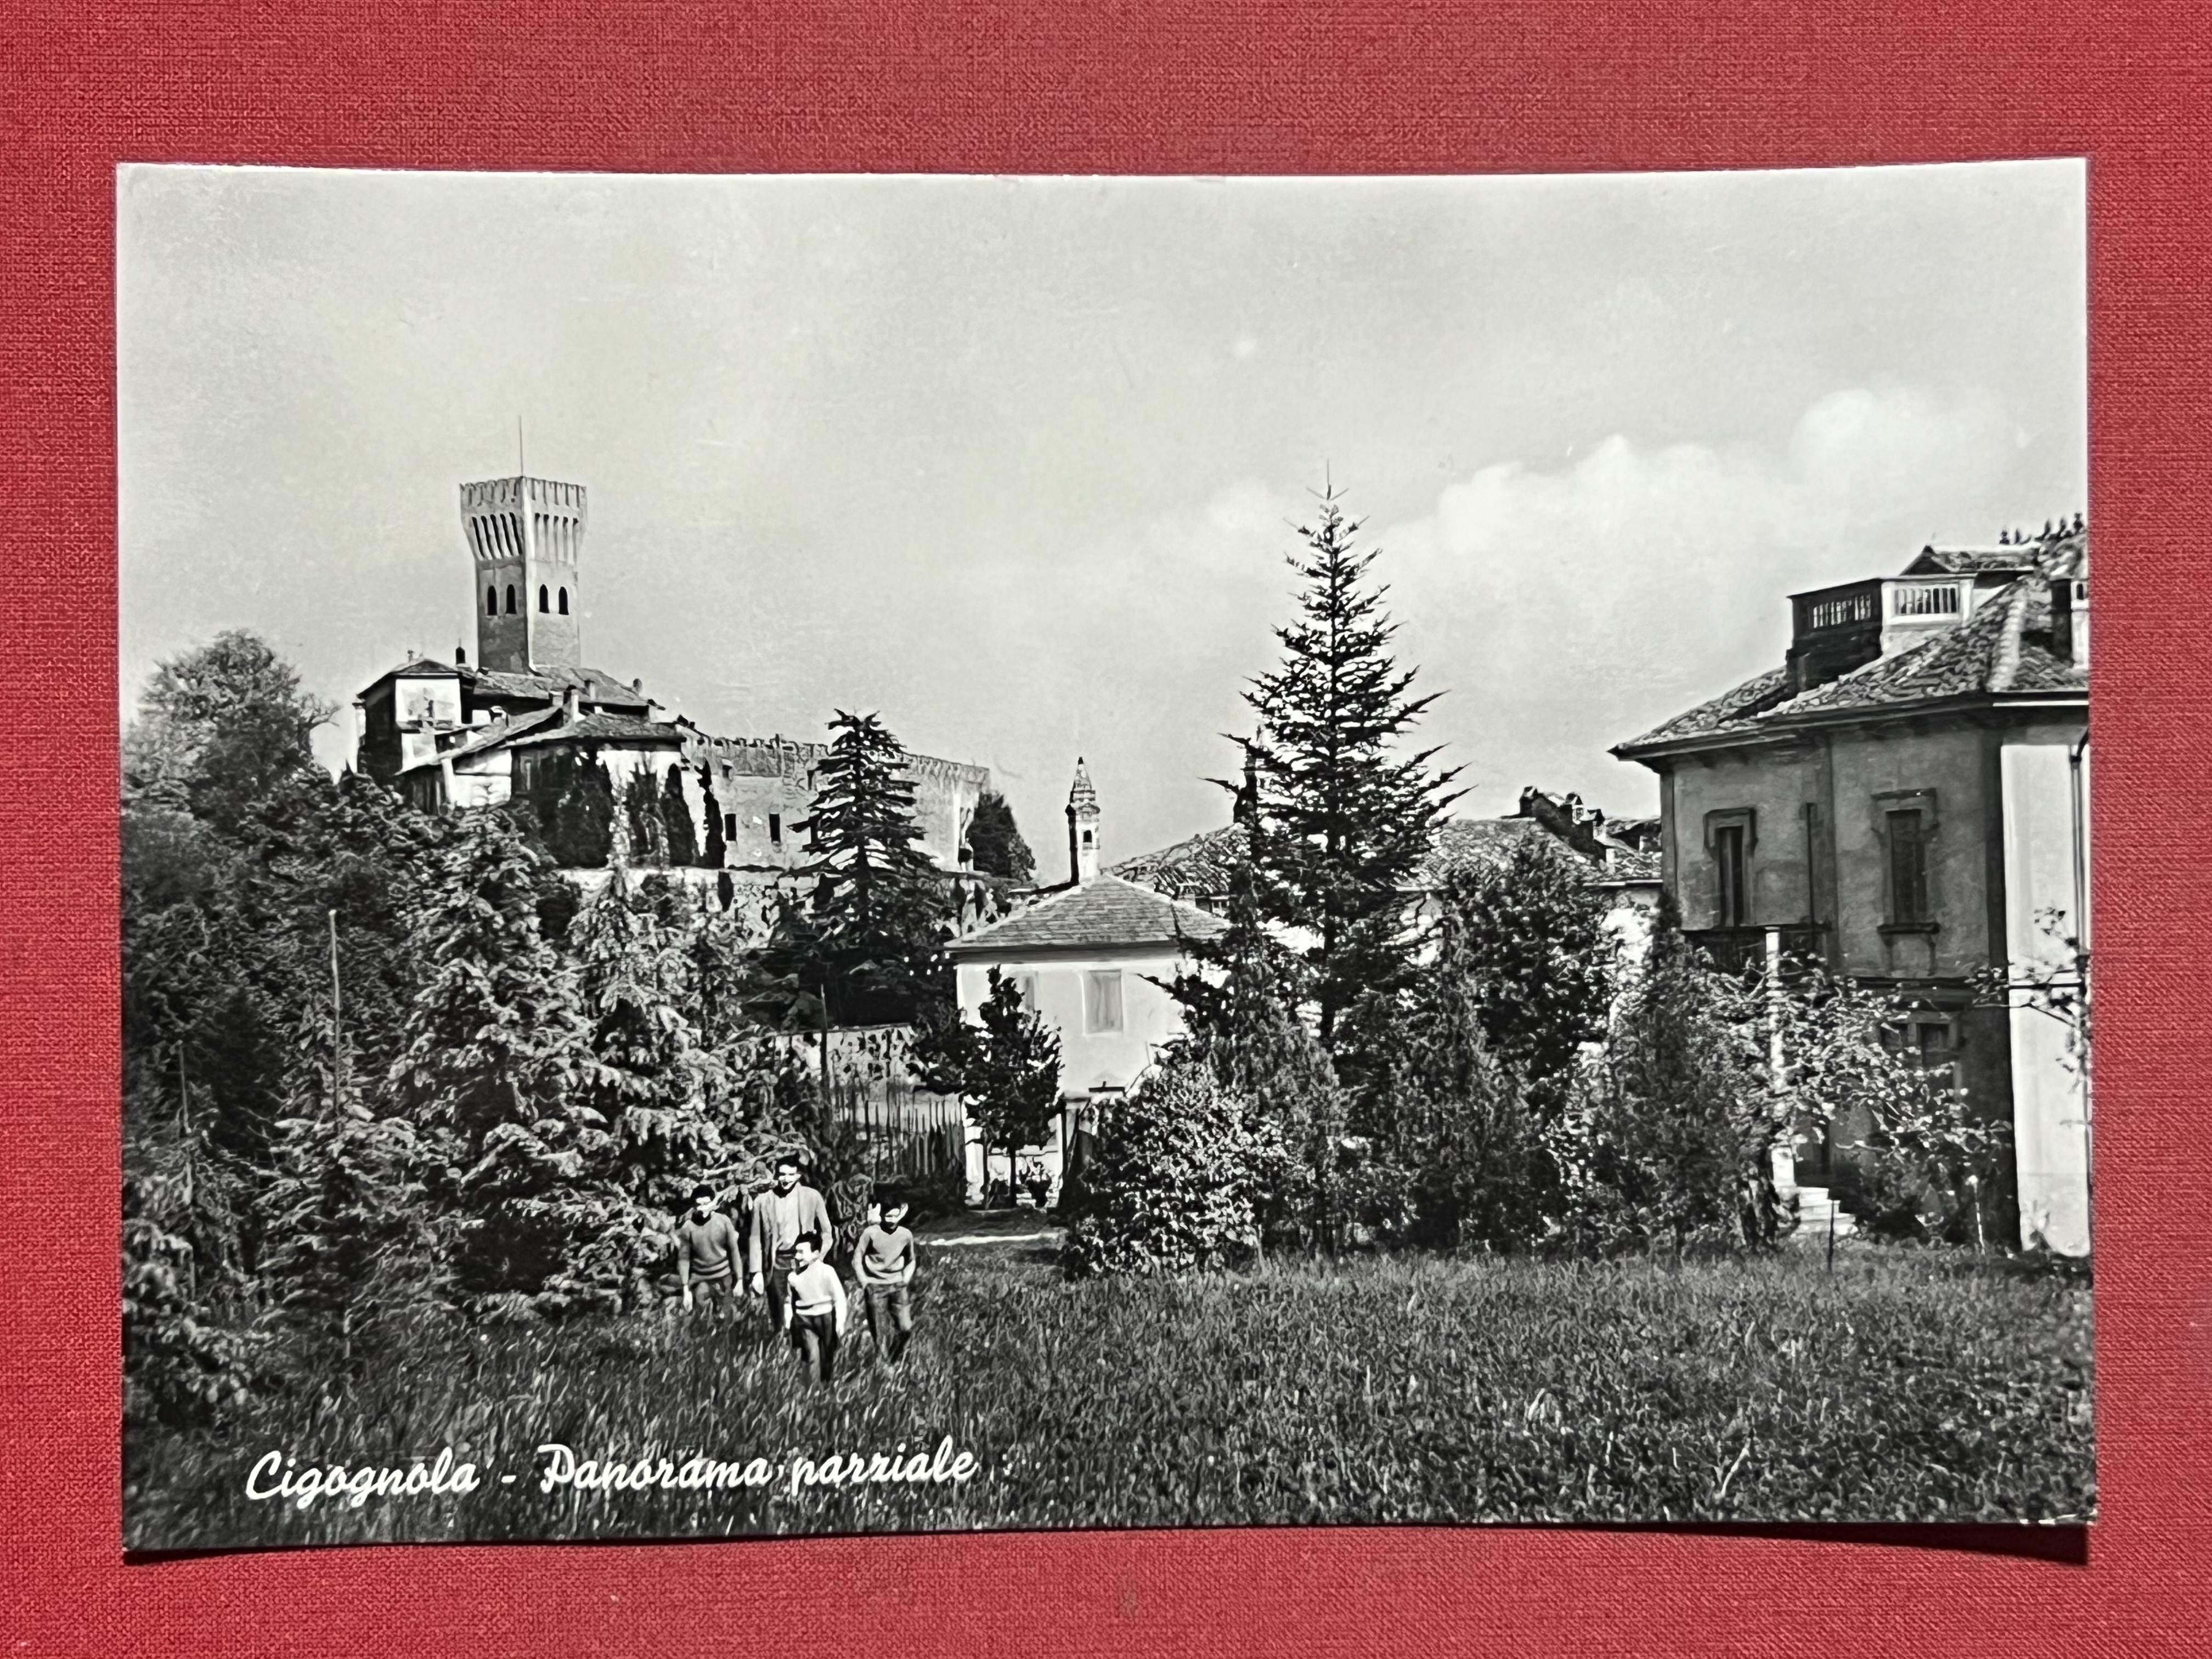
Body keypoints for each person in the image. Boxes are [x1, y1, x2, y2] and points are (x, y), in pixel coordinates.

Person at [746, 1155, 834, 1333]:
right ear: (776, 1175)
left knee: (802, 1307)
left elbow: (827, 1233)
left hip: (803, 1261)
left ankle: (802, 1347)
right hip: (777, 1262)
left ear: (798, 1176)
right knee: (779, 1308)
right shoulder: (762, 1201)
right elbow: (755, 1238)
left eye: (791, 1175)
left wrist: (818, 1258)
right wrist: (756, 1272)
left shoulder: (812, 1196)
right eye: (782, 1175)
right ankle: (780, 1350)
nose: (786, 1179)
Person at [852, 1192, 919, 1363]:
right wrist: (865, 1282)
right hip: (875, 1287)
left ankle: (893, 1359)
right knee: (879, 1331)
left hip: (898, 1286)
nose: (891, 1220)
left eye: (895, 1216)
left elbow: (911, 1260)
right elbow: (857, 1259)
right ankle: (885, 1365)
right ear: (882, 1215)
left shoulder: (905, 1235)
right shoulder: (870, 1233)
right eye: (888, 1216)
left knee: (906, 1328)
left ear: (900, 1214)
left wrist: (906, 1278)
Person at [781, 1231, 848, 1384]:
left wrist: (840, 1323)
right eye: (796, 1252)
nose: (797, 1256)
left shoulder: (827, 1272)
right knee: (813, 1355)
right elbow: (789, 1301)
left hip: (826, 1317)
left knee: (827, 1356)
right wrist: (788, 1320)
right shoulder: (793, 1277)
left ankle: (826, 1386)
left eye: (801, 1252)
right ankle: (814, 1392)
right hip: (804, 1319)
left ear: (816, 1254)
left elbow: (839, 1298)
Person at [674, 1182, 742, 1324]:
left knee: (726, 1316)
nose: (703, 1208)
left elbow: (734, 1250)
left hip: (724, 1276)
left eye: (706, 1204)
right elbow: (684, 1259)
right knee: (704, 1312)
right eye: (699, 1205)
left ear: (713, 1204)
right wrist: (686, 1288)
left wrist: (740, 1279)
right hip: (701, 1278)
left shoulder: (723, 1221)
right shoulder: (688, 1227)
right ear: (694, 1207)